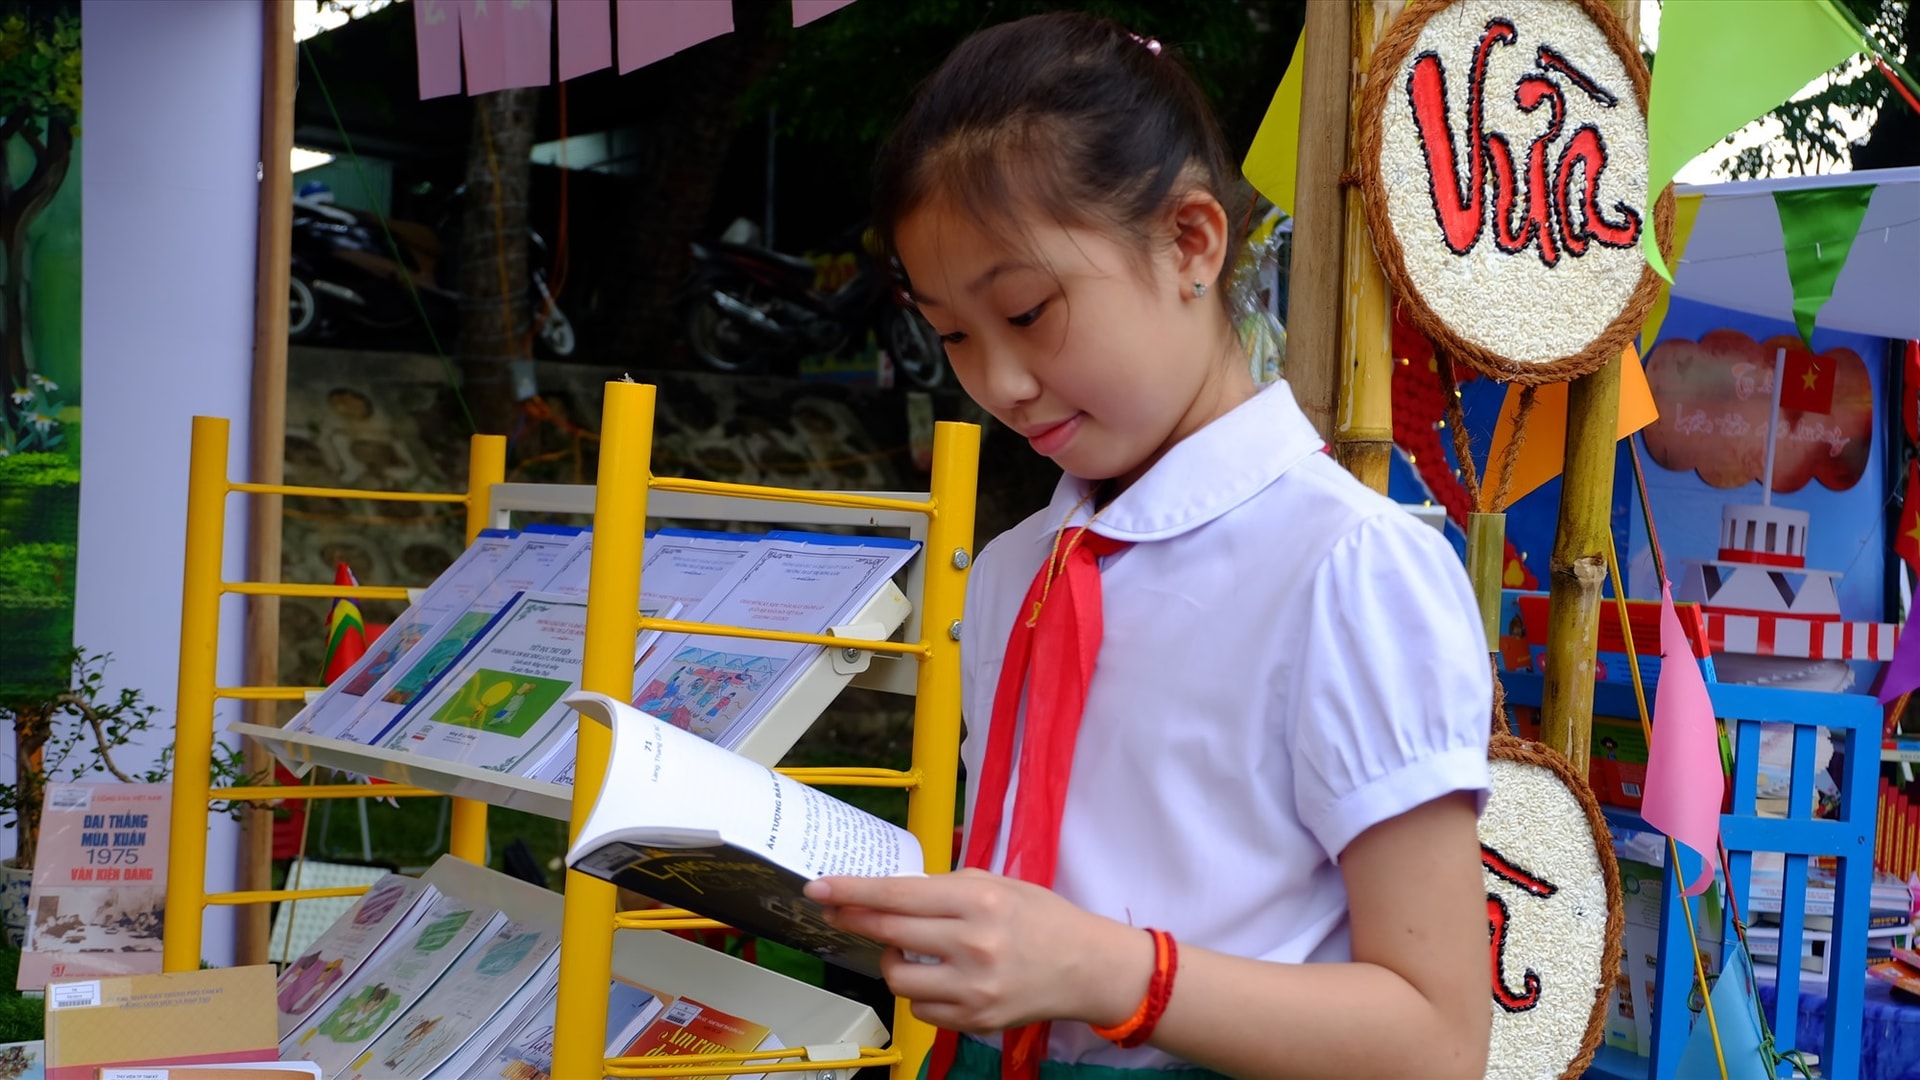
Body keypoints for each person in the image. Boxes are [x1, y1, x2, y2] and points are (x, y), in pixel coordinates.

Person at [803, 13, 1494, 1080]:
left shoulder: (1348, 570)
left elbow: (1439, 1041)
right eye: (953, 337)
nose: (1000, 384)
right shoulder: (1013, 574)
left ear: (1190, 243)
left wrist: (1113, 972)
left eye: (1027, 312)